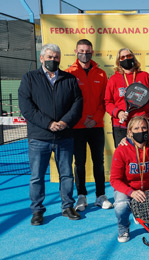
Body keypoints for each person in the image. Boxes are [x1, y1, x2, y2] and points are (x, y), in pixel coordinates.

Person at [18, 43, 83, 225]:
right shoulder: (29, 78)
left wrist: (64, 122)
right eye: (49, 57)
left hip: (64, 137)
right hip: (39, 137)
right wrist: (48, 124)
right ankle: (37, 211)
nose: (53, 60)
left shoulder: (69, 79)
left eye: (56, 57)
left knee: (66, 175)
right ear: (41, 58)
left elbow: (77, 104)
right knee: (37, 176)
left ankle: (67, 207)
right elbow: (26, 107)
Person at [65, 39, 112, 212]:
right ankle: (81, 196)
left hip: (96, 125)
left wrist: (96, 117)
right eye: (81, 50)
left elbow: (105, 101)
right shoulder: (69, 73)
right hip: (77, 127)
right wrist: (81, 119)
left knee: (98, 162)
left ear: (92, 52)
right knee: (79, 163)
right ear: (76, 51)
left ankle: (100, 195)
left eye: (88, 51)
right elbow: (68, 101)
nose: (84, 54)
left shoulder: (101, 74)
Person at [110, 116, 149, 243]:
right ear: (129, 132)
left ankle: (140, 211)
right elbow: (114, 180)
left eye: (144, 128)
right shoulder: (121, 150)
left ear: (148, 130)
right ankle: (123, 226)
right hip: (128, 191)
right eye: (136, 128)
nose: (140, 131)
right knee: (120, 205)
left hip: (148, 192)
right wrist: (131, 192)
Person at [105, 48, 149, 147]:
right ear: (118, 61)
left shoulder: (145, 76)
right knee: (124, 157)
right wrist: (118, 112)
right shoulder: (113, 79)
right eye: (123, 57)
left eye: (129, 56)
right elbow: (107, 102)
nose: (126, 59)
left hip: (143, 125)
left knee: (144, 156)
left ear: (133, 58)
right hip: (122, 126)